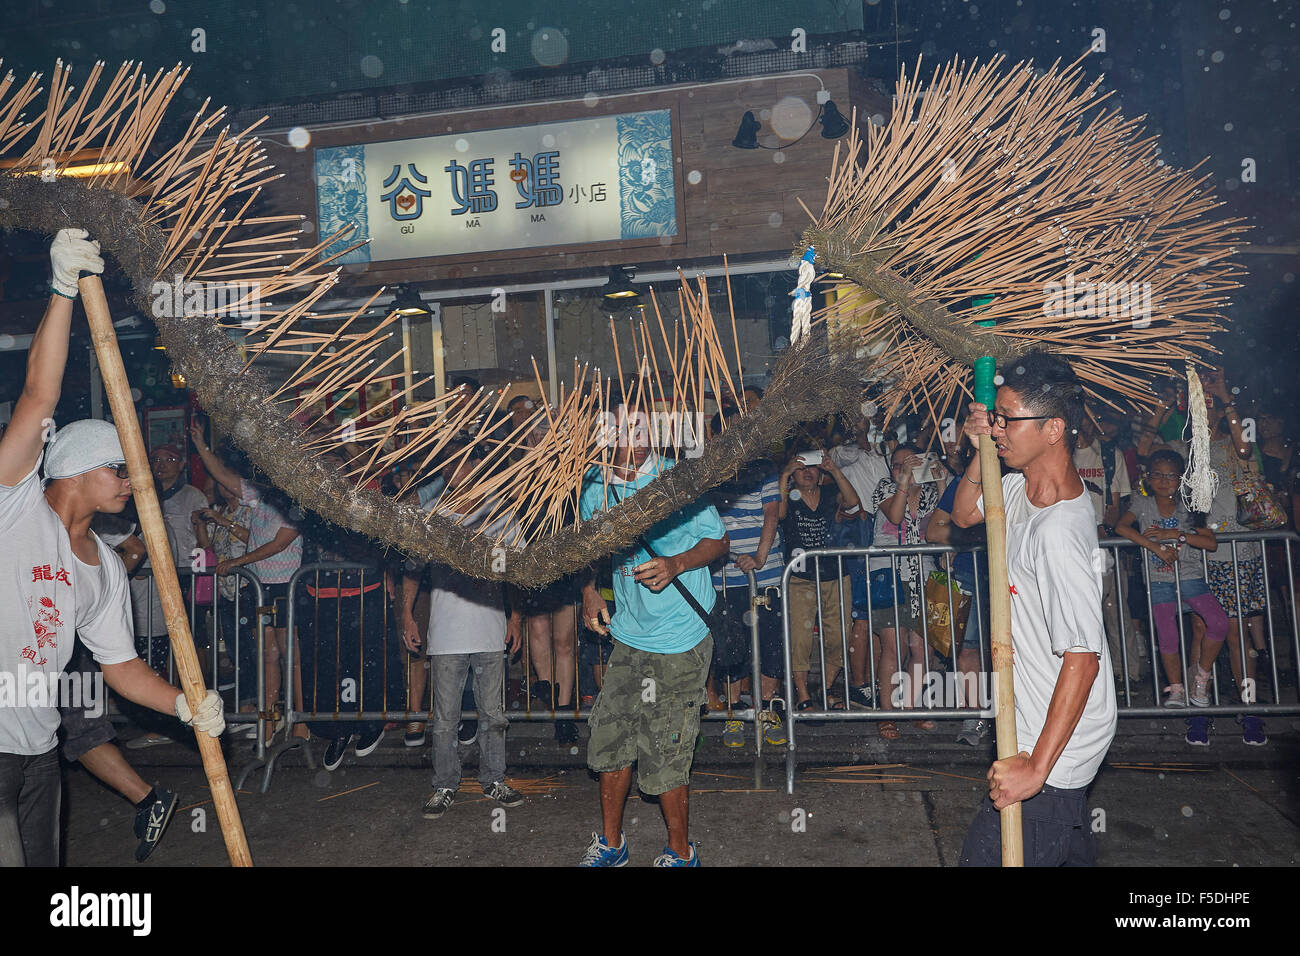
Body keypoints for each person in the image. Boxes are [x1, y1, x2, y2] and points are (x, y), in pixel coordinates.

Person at [1, 229, 223, 866]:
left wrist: (185, 703)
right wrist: (62, 290)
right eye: (118, 469)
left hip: (41, 753)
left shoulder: (101, 568)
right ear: (75, 468)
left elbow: (119, 668)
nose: (132, 482)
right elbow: (39, 398)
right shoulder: (10, 502)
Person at [951, 351, 1116, 867]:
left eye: (1007, 418)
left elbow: (1082, 659)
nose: (998, 427)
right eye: (994, 416)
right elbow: (964, 513)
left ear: (1053, 429)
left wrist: (1036, 770)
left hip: (1057, 747)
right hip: (1040, 726)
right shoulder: (1023, 489)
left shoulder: (1060, 536)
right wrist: (983, 445)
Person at [576, 413, 728, 867]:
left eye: (644, 431)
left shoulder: (677, 479)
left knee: (666, 751)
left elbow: (718, 543)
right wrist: (587, 590)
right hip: (629, 638)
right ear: (606, 437)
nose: (639, 442)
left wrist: (677, 564)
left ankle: (681, 853)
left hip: (681, 640)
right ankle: (611, 845)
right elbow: (587, 550)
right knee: (610, 742)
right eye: (627, 433)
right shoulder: (593, 489)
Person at [399, 452, 526, 819]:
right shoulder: (434, 516)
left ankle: (493, 779)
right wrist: (408, 616)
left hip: (489, 630)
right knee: (444, 718)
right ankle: (444, 784)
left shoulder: (500, 514)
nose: (461, 471)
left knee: (493, 715)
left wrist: (515, 618)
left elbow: (515, 572)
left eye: (469, 463)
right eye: (453, 465)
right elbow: (412, 569)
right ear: (446, 471)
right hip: (447, 632)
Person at [190, 424, 303, 745]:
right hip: (261, 586)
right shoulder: (260, 497)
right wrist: (200, 444)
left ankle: (300, 721)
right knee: (267, 656)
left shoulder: (296, 501)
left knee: (289, 656)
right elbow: (223, 476)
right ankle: (269, 720)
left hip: (287, 586)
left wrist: (238, 562)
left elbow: (280, 543)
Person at [1115, 449, 1228, 710]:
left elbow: (1210, 543)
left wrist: (1175, 534)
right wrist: (1154, 547)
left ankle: (1201, 675)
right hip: (1158, 580)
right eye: (1158, 475)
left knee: (1219, 623)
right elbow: (1121, 527)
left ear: (1181, 479)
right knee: (1168, 637)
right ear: (1148, 477)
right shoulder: (1142, 504)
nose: (1164, 481)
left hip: (1190, 577)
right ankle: (1176, 688)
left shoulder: (1189, 506)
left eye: (1170, 476)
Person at [708, 410, 787, 749]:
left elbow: (771, 515)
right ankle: (735, 715)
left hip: (765, 574)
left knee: (770, 645)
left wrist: (759, 556)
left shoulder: (764, 468)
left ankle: (767, 711)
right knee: (731, 649)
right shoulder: (708, 474)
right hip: (724, 578)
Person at [778, 450, 860, 712]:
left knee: (839, 635)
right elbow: (778, 514)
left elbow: (853, 503)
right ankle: (802, 695)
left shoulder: (828, 493)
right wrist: (785, 475)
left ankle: (824, 689)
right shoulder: (789, 497)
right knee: (799, 639)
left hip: (835, 573)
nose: (808, 472)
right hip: (799, 578)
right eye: (801, 468)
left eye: (812, 467)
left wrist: (834, 470)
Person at [870, 443, 943, 739]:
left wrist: (939, 479)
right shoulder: (885, 486)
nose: (903, 468)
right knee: (894, 645)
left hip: (924, 572)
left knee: (922, 647)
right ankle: (887, 713)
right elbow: (896, 517)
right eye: (898, 464)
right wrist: (902, 484)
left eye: (909, 463)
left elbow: (946, 520)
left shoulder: (929, 492)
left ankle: (911, 708)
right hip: (887, 572)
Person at [1073, 411, 1142, 685]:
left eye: (1090, 418)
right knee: (1080, 610)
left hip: (1100, 546)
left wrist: (1104, 531)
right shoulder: (1057, 453)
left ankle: (1126, 672)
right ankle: (1088, 676)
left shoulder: (1109, 454)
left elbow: (1114, 507)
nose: (1086, 425)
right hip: (1069, 544)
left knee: (1113, 607)